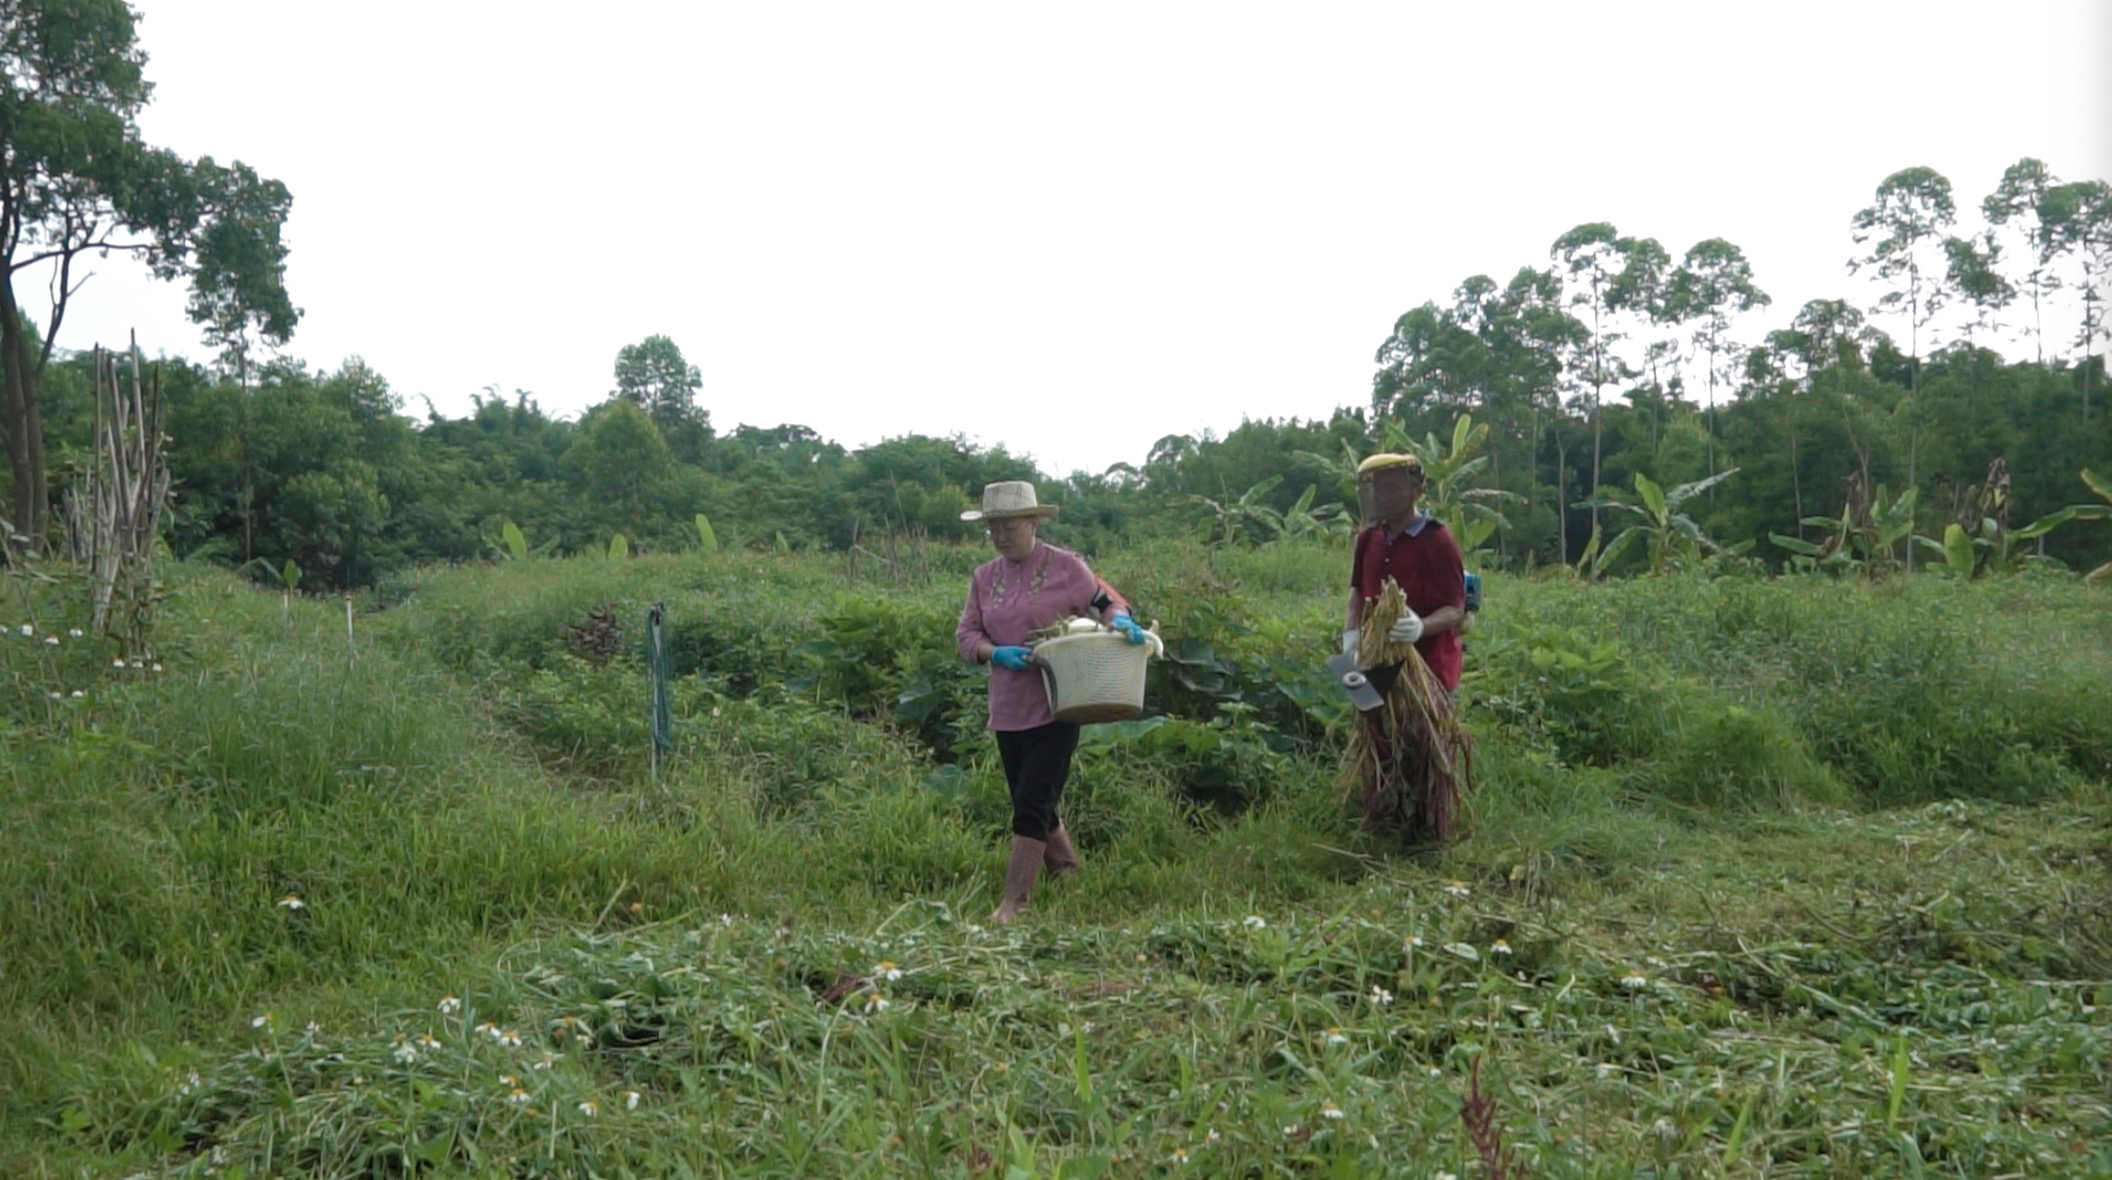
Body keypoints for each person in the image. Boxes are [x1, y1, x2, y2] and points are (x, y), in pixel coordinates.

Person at [955, 480, 1146, 924]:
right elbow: (966, 634)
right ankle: (1067, 870)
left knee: (1032, 803)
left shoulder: (1066, 567)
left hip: (1061, 698)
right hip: (1008, 706)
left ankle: (1015, 903)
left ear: (1034, 523)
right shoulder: (984, 577)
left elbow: (1107, 603)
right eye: (994, 528)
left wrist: (1120, 622)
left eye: (1010, 527)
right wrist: (993, 653)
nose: (1001, 536)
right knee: (1032, 797)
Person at [1342, 452, 1467, 692]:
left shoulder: (1437, 540)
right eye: (1377, 489)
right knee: (1369, 714)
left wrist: (1421, 627)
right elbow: (1358, 592)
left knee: (1422, 718)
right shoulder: (1368, 538)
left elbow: (1455, 609)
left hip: (1428, 674)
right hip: (1375, 665)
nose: (1382, 497)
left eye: (1391, 489)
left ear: (1416, 492)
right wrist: (1350, 635)